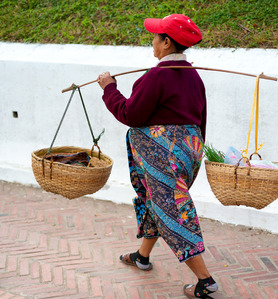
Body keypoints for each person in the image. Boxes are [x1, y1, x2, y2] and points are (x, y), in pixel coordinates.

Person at [97, 14, 218, 298]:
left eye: (155, 37)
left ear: (166, 43)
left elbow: (130, 114)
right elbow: (200, 120)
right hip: (188, 152)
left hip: (163, 157)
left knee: (172, 211)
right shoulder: (193, 76)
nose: (152, 41)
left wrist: (109, 89)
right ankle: (142, 256)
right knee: (156, 202)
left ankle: (205, 281)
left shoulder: (157, 76)